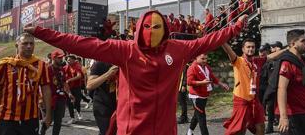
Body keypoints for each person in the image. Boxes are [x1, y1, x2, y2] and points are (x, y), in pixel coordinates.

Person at [24, 10, 247, 135]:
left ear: (166, 29)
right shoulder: (124, 50)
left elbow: (209, 40)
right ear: (139, 29)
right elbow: (80, 43)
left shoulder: (178, 49)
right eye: (147, 27)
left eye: (157, 27)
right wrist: (42, 33)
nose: (151, 32)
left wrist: (235, 27)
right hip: (132, 130)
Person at [222, 38, 286, 135]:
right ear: (243, 49)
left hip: (255, 100)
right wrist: (221, 39)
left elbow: (271, 56)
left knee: (261, 127)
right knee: (239, 129)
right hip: (241, 100)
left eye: (253, 47)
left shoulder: (257, 61)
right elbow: (228, 50)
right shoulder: (238, 60)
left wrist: (287, 49)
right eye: (248, 47)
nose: (250, 49)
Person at [0, 33, 51, 135]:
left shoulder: (41, 65)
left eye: (31, 44)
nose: (29, 46)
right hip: (7, 118)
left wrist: (48, 114)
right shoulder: (6, 64)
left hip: (31, 119)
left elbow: (46, 90)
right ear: (17, 45)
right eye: (25, 43)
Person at [277, 29, 305, 135]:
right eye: (303, 41)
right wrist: (284, 117)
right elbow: (281, 89)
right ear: (293, 44)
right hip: (293, 115)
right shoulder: (287, 63)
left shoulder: (303, 62)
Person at [187, 54, 229, 135]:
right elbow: (189, 82)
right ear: (196, 57)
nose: (205, 60)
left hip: (204, 95)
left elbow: (212, 76)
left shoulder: (206, 66)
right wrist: (202, 82)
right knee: (202, 118)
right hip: (196, 96)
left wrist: (221, 84)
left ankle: (189, 132)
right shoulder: (192, 67)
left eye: (206, 59)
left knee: (197, 115)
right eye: (202, 59)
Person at [40, 49, 74, 135]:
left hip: (61, 99)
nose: (61, 59)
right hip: (49, 99)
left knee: (58, 122)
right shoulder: (47, 69)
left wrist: (69, 93)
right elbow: (41, 85)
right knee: (48, 121)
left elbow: (64, 82)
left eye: (62, 58)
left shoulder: (61, 69)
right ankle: (42, 133)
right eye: (59, 58)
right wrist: (41, 99)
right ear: (53, 58)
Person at [86, 61, 118, 135]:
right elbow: (89, 85)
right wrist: (108, 73)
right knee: (107, 132)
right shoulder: (99, 64)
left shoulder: (124, 63)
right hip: (103, 106)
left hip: (119, 107)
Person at [64, 55, 82, 124]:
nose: (68, 61)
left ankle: (78, 112)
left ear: (74, 60)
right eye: (67, 60)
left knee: (77, 101)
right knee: (69, 102)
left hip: (76, 87)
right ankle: (72, 117)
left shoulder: (77, 66)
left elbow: (79, 76)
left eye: (70, 60)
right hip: (69, 87)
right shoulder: (66, 67)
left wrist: (70, 80)